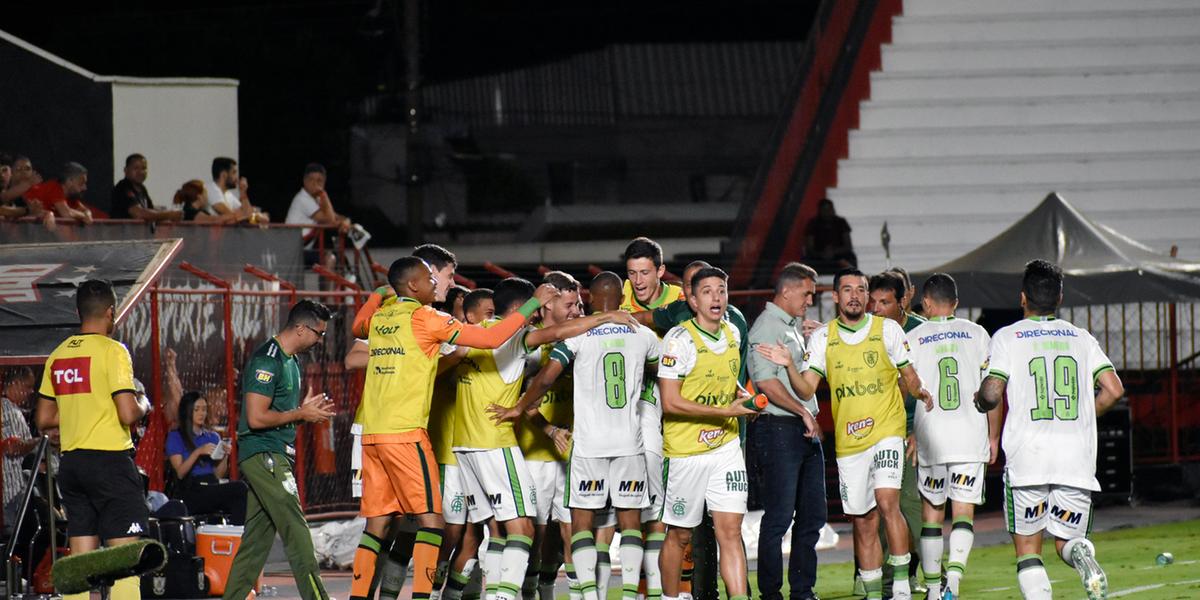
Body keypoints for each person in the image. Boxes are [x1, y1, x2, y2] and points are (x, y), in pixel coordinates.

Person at [344, 258, 560, 600]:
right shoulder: (428, 318)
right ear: (414, 286)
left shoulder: (383, 317)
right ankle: (421, 597)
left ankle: (358, 597)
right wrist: (534, 301)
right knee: (433, 523)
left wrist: (377, 295)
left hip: (373, 433)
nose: (436, 283)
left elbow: (358, 327)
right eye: (430, 278)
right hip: (406, 433)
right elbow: (492, 338)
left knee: (377, 525)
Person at [449, 277, 638, 600]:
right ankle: (509, 595)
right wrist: (607, 316)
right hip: (512, 447)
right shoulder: (523, 339)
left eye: (579, 304)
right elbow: (546, 356)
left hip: (497, 447)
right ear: (540, 306)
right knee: (523, 531)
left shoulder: (477, 335)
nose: (577, 310)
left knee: (547, 532)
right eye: (570, 304)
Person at [756, 268, 933, 600]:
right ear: (836, 296)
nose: (855, 295)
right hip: (851, 442)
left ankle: (902, 587)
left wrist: (920, 391)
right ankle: (872, 589)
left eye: (861, 290)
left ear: (866, 296)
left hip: (887, 431)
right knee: (863, 520)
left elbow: (909, 373)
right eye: (847, 289)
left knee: (887, 502)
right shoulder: (823, 338)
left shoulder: (887, 329)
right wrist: (789, 365)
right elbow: (807, 387)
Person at [495, 272, 661, 600]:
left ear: (593, 299)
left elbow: (543, 380)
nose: (578, 308)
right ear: (618, 299)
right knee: (630, 524)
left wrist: (520, 407)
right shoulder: (644, 335)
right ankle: (629, 595)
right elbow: (658, 371)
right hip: (630, 444)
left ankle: (587, 595)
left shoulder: (578, 336)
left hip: (587, 447)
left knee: (580, 527)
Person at [975, 260, 1124, 600]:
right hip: (1076, 458)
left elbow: (991, 393)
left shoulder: (1008, 337)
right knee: (1066, 541)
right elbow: (1114, 389)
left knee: (1029, 549)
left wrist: (980, 401)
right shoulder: (1082, 338)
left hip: (1029, 459)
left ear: (1022, 297)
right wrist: (1085, 414)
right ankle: (1081, 555)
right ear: (1059, 297)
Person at [36, 279, 153, 600]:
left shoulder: (58, 355)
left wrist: (80, 410)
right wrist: (144, 402)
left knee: (82, 564)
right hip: (110, 463)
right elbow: (128, 413)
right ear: (111, 312)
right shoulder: (113, 351)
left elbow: (44, 419)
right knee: (127, 560)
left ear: (78, 312)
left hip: (72, 466)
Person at [656, 267, 759, 600]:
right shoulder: (678, 340)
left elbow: (728, 385)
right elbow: (670, 402)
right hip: (685, 453)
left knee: (730, 532)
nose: (716, 297)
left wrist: (742, 396)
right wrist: (727, 411)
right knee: (680, 537)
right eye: (707, 291)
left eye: (721, 290)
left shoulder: (733, 334)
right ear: (692, 299)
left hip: (725, 448)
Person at [223, 300, 337, 600]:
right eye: (318, 333)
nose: (320, 340)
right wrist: (301, 413)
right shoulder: (267, 360)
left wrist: (303, 413)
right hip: (265, 455)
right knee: (296, 529)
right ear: (300, 328)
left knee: (256, 542)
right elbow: (256, 417)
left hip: (274, 454)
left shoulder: (291, 361)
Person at [905, 273, 996, 600]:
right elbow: (992, 391)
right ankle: (953, 584)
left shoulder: (914, 338)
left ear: (926, 302)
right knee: (963, 512)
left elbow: (906, 386)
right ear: (956, 304)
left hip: (931, 436)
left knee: (931, 514)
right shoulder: (978, 334)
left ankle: (931, 590)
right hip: (970, 437)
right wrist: (994, 437)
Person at [745, 263, 823, 600]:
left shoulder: (791, 327)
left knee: (812, 516)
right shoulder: (767, 327)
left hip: (800, 428)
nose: (810, 300)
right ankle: (771, 594)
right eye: (806, 293)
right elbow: (766, 383)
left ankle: (802, 591)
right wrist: (803, 411)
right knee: (778, 518)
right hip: (778, 429)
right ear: (787, 290)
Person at [867, 270, 927, 595]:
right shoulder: (865, 331)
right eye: (872, 301)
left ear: (903, 300)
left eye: (884, 301)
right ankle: (878, 575)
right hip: (874, 430)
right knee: (878, 507)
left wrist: (918, 429)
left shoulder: (921, 332)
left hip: (911, 429)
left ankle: (927, 571)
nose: (876, 308)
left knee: (910, 503)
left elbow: (925, 385)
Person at [165, 391, 248, 524]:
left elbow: (218, 475)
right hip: (191, 489)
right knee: (240, 489)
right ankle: (236, 534)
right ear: (187, 411)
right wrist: (198, 452)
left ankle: (234, 533)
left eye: (204, 409)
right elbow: (180, 473)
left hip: (211, 485)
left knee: (241, 491)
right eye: (196, 409)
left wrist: (224, 455)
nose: (201, 413)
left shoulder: (212, 437)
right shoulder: (176, 437)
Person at [2, 367, 39, 526]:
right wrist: (39, 442)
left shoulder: (12, 408)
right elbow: (11, 447)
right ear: (16, 384)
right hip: (10, 491)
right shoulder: (6, 408)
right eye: (28, 386)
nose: (31, 392)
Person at [110, 154, 182, 222]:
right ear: (126, 170)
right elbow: (139, 213)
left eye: (144, 168)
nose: (140, 172)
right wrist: (169, 215)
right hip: (122, 234)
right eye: (136, 168)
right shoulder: (123, 188)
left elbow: (150, 209)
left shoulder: (142, 189)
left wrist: (165, 212)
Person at [620, 237, 683, 314]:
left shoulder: (680, 297)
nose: (638, 281)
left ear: (660, 271)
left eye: (645, 273)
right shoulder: (618, 293)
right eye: (632, 273)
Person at [24, 162, 99, 224]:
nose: (85, 188)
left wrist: (88, 214)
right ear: (70, 181)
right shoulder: (55, 187)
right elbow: (66, 214)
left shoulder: (70, 196)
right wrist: (84, 216)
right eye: (81, 183)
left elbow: (85, 210)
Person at [206, 157, 267, 223]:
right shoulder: (211, 189)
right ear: (224, 175)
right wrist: (254, 215)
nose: (237, 177)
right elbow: (230, 215)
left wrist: (243, 192)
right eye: (234, 172)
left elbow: (247, 212)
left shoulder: (229, 195)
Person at [803, 198, 856, 272]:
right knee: (806, 260)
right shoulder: (813, 223)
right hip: (819, 257)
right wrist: (822, 254)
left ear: (833, 209)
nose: (827, 212)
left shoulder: (841, 222)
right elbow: (809, 247)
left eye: (829, 209)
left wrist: (834, 252)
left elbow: (848, 245)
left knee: (850, 258)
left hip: (839, 257)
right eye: (824, 209)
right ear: (819, 211)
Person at [174, 180, 240, 224]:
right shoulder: (190, 212)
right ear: (199, 196)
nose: (207, 197)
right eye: (205, 193)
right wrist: (236, 214)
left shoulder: (198, 211)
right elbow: (215, 220)